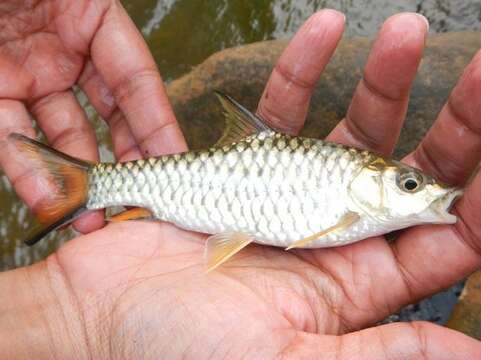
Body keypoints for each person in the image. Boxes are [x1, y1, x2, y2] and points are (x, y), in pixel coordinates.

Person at [0, 1, 479, 358]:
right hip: (157, 194)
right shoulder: (351, 213)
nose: (420, 192)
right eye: (409, 186)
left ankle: (92, 187)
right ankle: (91, 187)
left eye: (410, 185)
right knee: (107, 185)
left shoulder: (356, 210)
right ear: (370, 178)